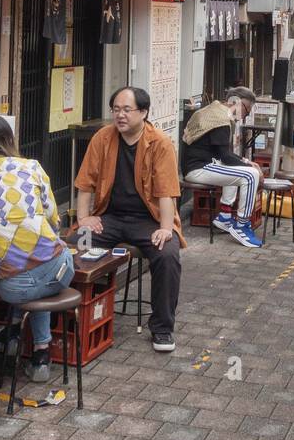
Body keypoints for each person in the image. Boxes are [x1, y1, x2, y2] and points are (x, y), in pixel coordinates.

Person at [0, 114, 73, 384]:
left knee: (22, 278)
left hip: (14, 288)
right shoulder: (32, 167)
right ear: (7, 140)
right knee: (39, 270)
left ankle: (12, 332)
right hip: (62, 269)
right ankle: (41, 354)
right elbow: (52, 217)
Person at [75, 86, 183, 353]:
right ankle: (84, 314)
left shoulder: (159, 143)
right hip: (109, 217)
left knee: (167, 254)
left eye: (126, 109)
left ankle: (162, 327)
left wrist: (166, 229)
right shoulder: (103, 138)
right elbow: (85, 183)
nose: (120, 115)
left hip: (149, 220)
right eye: (115, 109)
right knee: (77, 241)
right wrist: (84, 217)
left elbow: (167, 191)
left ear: (143, 112)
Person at [181, 87, 264, 249]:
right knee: (250, 175)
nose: (245, 116)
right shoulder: (222, 120)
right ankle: (242, 225)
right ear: (238, 103)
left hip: (196, 164)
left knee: (238, 169)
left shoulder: (212, 110)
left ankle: (225, 215)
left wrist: (244, 161)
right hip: (198, 168)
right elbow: (225, 156)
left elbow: (223, 155)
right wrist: (249, 164)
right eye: (247, 111)